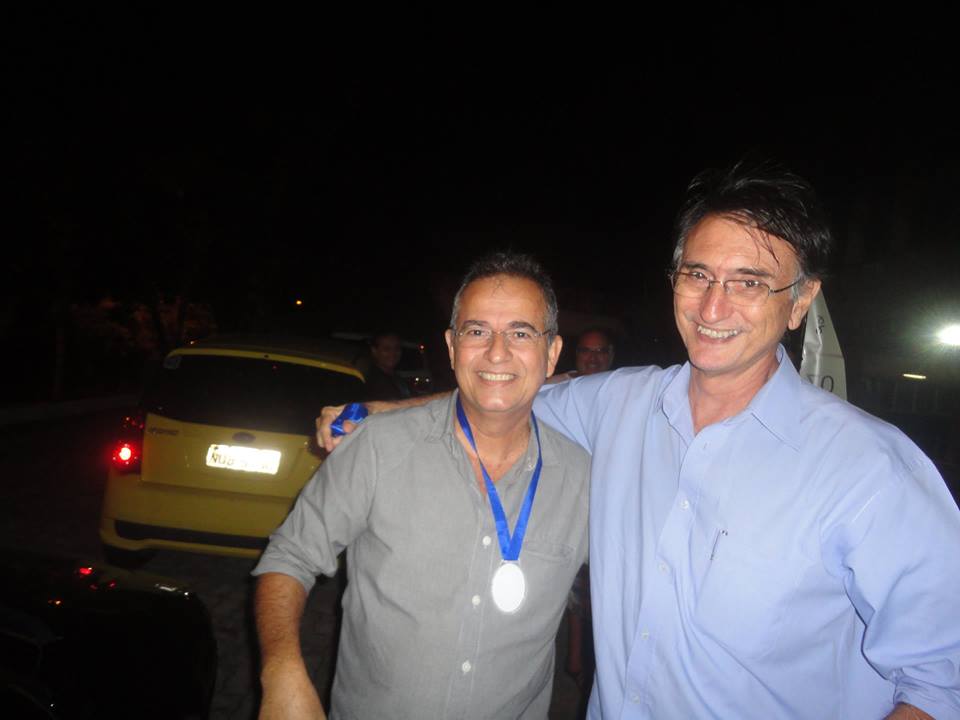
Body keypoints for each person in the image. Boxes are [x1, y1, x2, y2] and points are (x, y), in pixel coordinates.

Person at [319, 163, 960, 719]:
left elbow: (940, 682)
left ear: (800, 301)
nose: (713, 307)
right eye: (697, 274)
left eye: (749, 282)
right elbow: (503, 390)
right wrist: (379, 411)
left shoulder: (871, 471)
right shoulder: (618, 406)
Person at [254, 252, 590, 720]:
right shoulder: (377, 447)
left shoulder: (584, 481)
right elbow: (289, 556)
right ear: (452, 347)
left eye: (520, 333)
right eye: (477, 331)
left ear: (551, 353)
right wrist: (282, 671)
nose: (497, 352)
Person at [361, 330, 412, 400]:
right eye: (386, 349)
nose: (393, 353)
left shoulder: (396, 378)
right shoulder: (373, 380)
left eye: (397, 348)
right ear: (374, 351)